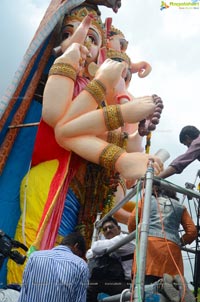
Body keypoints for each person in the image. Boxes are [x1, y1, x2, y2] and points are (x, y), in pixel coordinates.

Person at [128, 187, 197, 301]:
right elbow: (192, 232)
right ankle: (172, 289)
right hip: (172, 248)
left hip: (148, 246)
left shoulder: (146, 201)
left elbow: (131, 222)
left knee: (142, 286)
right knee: (171, 282)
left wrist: (138, 237)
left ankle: (158, 287)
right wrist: (179, 242)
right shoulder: (181, 207)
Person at [18, 232, 89, 302]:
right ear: (76, 246)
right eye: (79, 255)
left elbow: (24, 292)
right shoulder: (81, 265)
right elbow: (79, 299)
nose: (78, 257)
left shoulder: (34, 257)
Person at [86, 216, 134, 301]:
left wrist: (97, 251)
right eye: (105, 229)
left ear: (119, 228)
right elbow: (88, 254)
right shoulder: (111, 245)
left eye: (111, 227)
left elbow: (95, 248)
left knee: (92, 286)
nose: (108, 230)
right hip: (121, 281)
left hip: (131, 284)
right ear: (103, 234)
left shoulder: (123, 239)